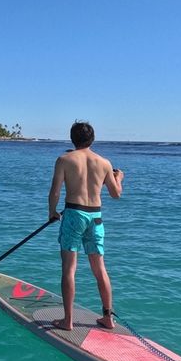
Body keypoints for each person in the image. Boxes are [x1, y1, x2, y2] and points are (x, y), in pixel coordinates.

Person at [47, 121, 124, 331]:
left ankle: (68, 320)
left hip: (73, 214)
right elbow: (116, 194)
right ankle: (108, 317)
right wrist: (120, 178)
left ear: (72, 138)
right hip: (96, 217)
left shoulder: (64, 159)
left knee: (69, 269)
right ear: (92, 139)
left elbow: (55, 192)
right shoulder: (105, 163)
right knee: (100, 270)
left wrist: (52, 213)